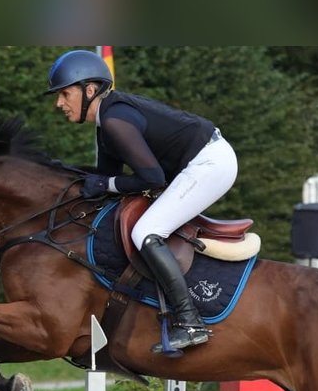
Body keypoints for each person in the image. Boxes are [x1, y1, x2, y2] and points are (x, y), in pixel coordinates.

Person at [46, 49, 239, 353]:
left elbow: (152, 179)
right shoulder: (106, 121)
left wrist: (104, 183)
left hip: (210, 164)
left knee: (146, 232)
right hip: (201, 160)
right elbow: (106, 177)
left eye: (64, 94)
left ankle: (190, 322)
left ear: (90, 90)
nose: (59, 103)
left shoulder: (114, 121)